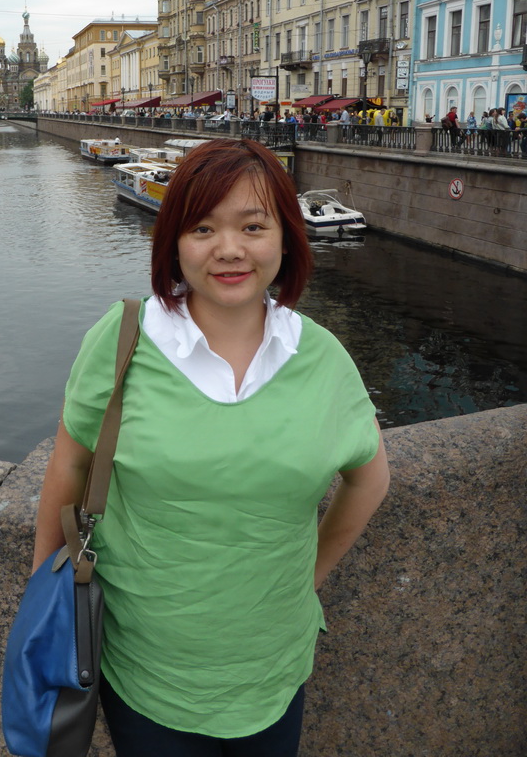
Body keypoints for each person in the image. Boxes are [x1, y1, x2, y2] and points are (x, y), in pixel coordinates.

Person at [32, 138, 390, 757]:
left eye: (253, 226)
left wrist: (307, 578)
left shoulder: (323, 357)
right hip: (146, 672)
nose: (229, 249)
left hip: (273, 668)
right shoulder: (121, 342)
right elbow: (68, 466)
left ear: (284, 238)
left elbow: (370, 477)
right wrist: (43, 602)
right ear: (173, 240)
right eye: (202, 227)